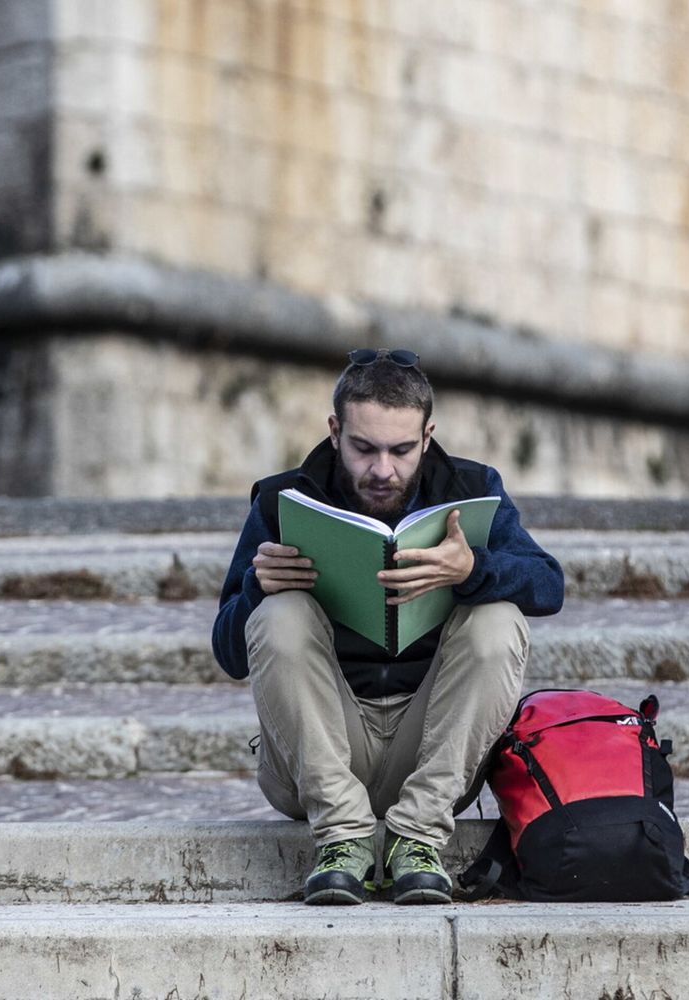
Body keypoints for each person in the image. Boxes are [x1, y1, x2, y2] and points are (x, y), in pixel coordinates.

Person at [212, 348, 564, 905]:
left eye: (401, 450)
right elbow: (229, 653)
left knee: (499, 618)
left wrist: (475, 568)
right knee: (278, 615)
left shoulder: (471, 487)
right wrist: (259, 585)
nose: (382, 470)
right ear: (335, 432)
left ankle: (416, 838)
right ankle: (343, 841)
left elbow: (550, 586)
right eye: (363, 448)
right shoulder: (284, 500)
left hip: (430, 752)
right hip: (316, 755)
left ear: (428, 435)